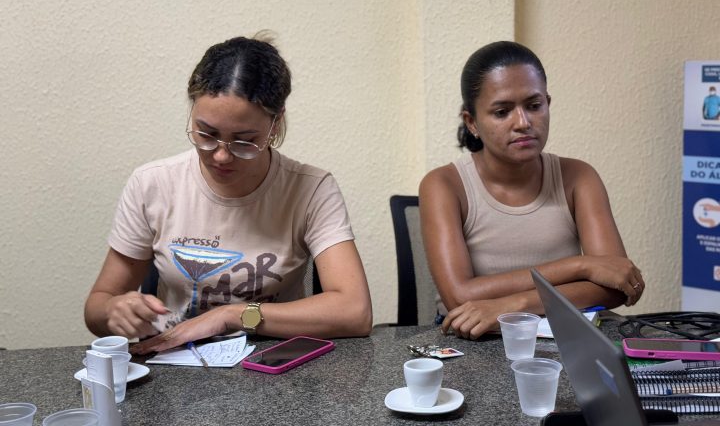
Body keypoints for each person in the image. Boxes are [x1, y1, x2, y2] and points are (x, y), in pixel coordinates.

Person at [85, 34, 373, 353]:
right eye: (206, 134)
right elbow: (97, 308)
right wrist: (114, 311)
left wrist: (231, 316)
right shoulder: (152, 184)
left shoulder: (310, 189)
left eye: (244, 141)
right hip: (176, 363)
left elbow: (354, 312)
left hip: (272, 362)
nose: (221, 155)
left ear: (275, 124)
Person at [419, 41, 645, 340]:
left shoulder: (579, 177)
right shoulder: (443, 185)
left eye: (534, 106)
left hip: (564, 339)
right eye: (502, 112)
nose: (523, 122)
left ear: (547, 103)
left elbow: (616, 283)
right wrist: (582, 266)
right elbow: (459, 296)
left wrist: (512, 306)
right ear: (471, 122)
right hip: (473, 343)